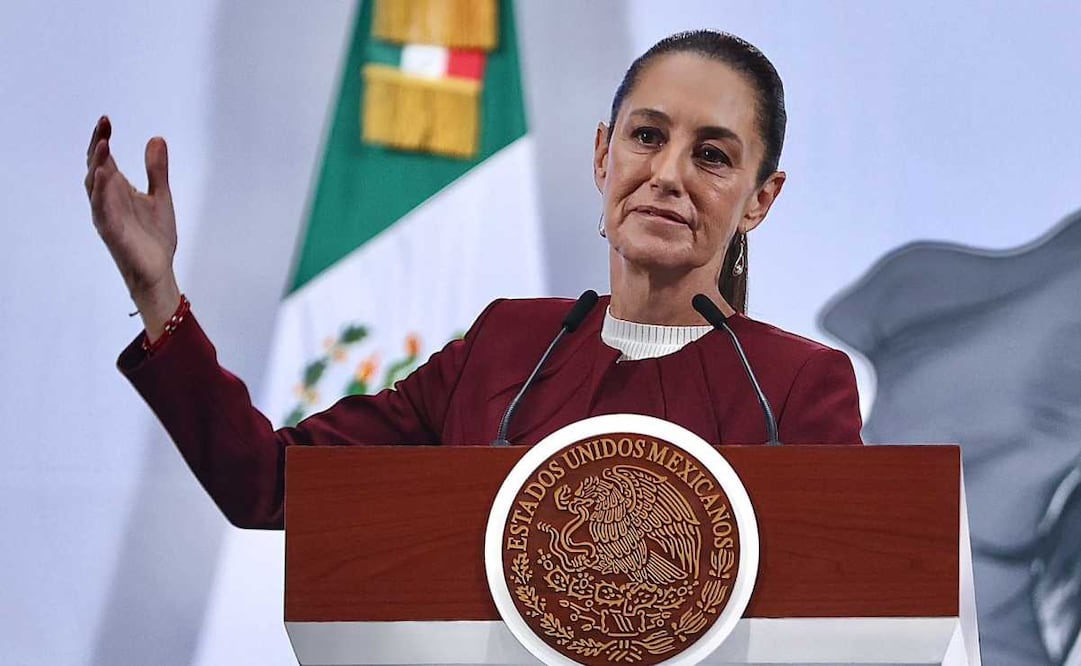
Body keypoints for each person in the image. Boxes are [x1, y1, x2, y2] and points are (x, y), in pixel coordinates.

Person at [85, 31, 862, 529]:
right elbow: (268, 485)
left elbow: (839, 602)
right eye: (646, 137)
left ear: (760, 199)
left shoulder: (796, 385)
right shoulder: (507, 350)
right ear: (602, 155)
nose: (665, 174)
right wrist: (159, 294)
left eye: (712, 156)